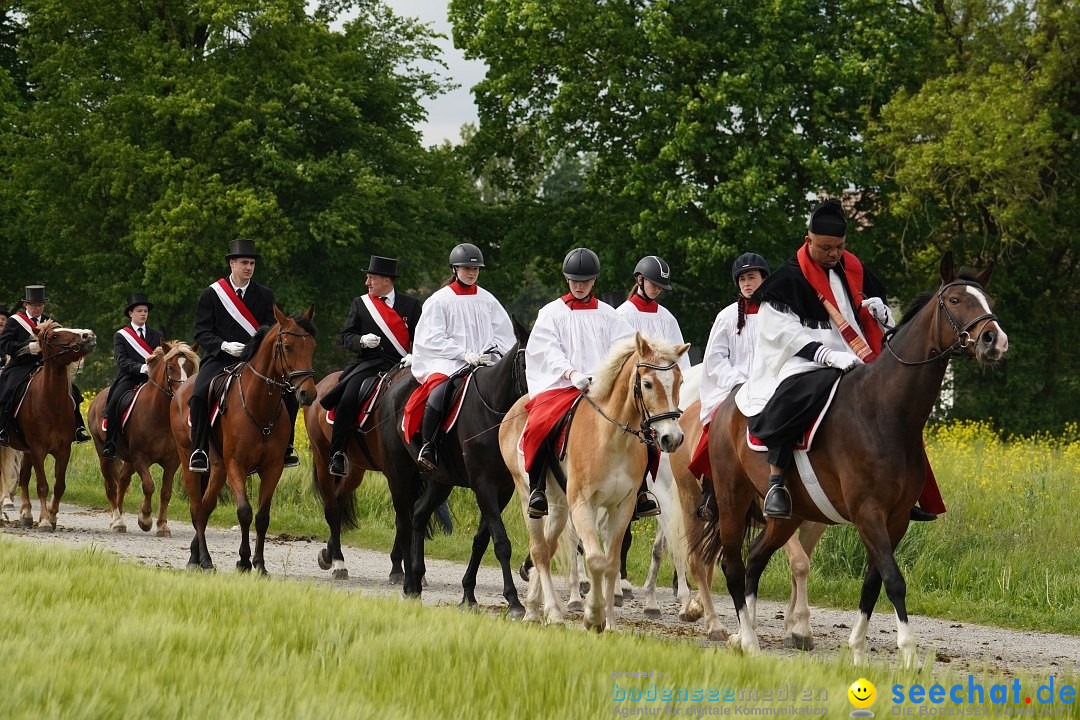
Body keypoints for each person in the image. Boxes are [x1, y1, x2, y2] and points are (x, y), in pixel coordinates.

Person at [735, 199, 944, 521]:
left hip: (857, 358)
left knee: (894, 406)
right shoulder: (788, 278)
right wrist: (827, 355)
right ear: (809, 241)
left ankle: (901, 489)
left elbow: (872, 322)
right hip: (806, 360)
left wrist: (882, 314)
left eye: (840, 247)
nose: (834, 254)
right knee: (795, 398)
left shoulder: (854, 269)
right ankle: (777, 480)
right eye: (826, 248)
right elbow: (783, 332)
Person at [521, 248, 642, 518]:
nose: (579, 285)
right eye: (574, 280)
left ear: (594, 281)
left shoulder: (610, 315)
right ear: (567, 279)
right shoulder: (551, 313)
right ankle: (538, 488)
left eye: (585, 280)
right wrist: (570, 373)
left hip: (601, 386)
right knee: (539, 424)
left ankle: (642, 491)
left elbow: (622, 348)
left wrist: (603, 375)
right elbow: (547, 349)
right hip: (563, 385)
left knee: (640, 427)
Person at [188, 239, 299, 472]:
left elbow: (271, 329)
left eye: (252, 263)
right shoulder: (212, 294)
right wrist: (223, 345)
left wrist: (254, 348)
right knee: (199, 394)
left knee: (289, 394)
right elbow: (201, 331)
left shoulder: (264, 294)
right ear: (232, 263)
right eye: (244, 263)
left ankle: (287, 448)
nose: (248, 267)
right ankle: (199, 449)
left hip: (254, 360)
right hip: (220, 358)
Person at [404, 243, 515, 471]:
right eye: (466, 268)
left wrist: (493, 352)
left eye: (475, 269)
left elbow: (504, 334)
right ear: (454, 269)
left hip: (483, 362)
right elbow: (431, 337)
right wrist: (462, 353)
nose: (471, 272)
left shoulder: (488, 300)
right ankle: (429, 444)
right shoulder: (439, 300)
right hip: (449, 361)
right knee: (440, 391)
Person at [321, 255, 422, 477]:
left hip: (402, 364)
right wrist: (361, 341)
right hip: (369, 364)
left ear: (386, 280)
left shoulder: (411, 305)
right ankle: (338, 453)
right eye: (368, 278)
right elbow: (346, 336)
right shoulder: (361, 303)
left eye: (371, 278)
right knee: (347, 398)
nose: (367, 283)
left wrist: (416, 354)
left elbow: (423, 337)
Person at [690, 253, 770, 520]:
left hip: (771, 387)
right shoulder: (726, 317)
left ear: (763, 279)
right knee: (718, 430)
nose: (747, 283)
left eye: (752, 278)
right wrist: (738, 381)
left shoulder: (778, 313)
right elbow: (714, 359)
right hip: (734, 387)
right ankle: (712, 492)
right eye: (743, 279)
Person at [0, 285, 92, 446]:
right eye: (34, 305)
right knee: (8, 391)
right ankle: (3, 430)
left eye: (40, 305)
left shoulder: (50, 323)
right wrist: (27, 348)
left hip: (46, 366)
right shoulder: (15, 322)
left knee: (73, 392)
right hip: (20, 365)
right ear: (26, 305)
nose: (38, 308)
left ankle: (77, 427)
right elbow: (4, 344)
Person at [101, 293, 163, 459]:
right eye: (139, 311)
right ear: (131, 313)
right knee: (114, 401)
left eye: (145, 311)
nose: (143, 314)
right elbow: (122, 360)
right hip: (130, 377)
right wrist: (142, 367)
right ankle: (111, 443)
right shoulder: (121, 335)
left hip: (153, 379)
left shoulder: (157, 335)